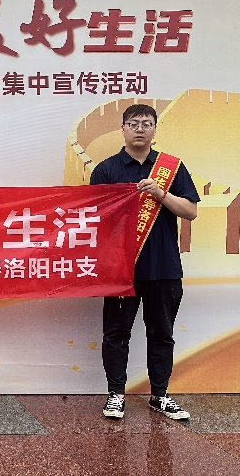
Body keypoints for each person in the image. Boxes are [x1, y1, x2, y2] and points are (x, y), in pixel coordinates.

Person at [89, 104, 199, 421]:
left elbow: (190, 211)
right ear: (122, 128)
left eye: (146, 124)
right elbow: (95, 217)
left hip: (163, 266)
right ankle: (116, 395)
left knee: (161, 333)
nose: (140, 129)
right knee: (116, 334)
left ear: (155, 129)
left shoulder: (171, 168)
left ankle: (159, 395)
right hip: (121, 268)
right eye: (134, 123)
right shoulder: (106, 170)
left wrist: (160, 194)